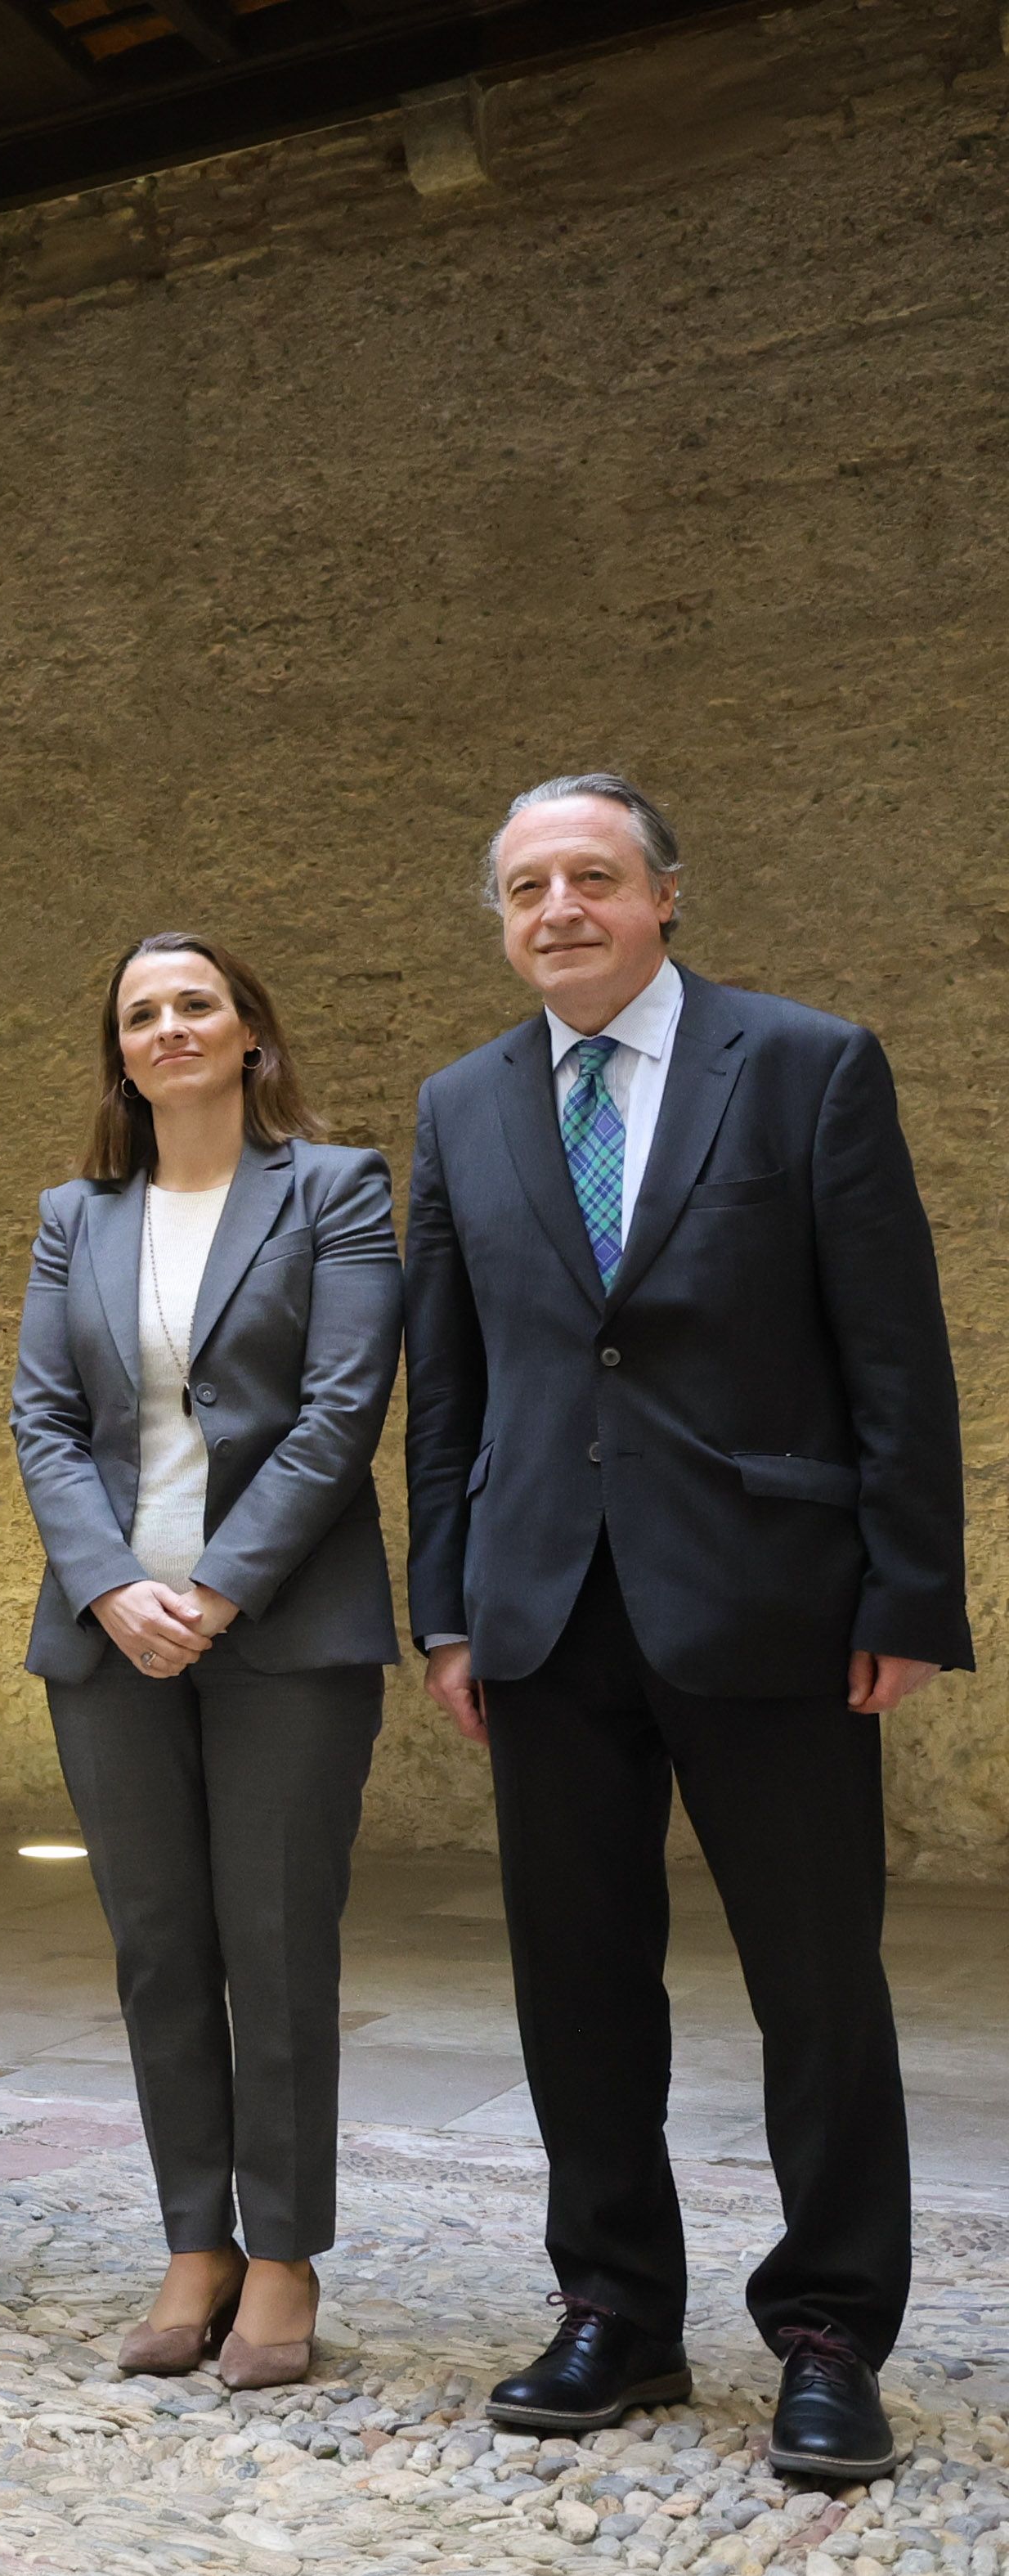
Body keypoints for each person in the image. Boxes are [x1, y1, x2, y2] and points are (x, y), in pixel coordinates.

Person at [408, 775, 965, 2481]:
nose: (559, 909)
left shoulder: (805, 1065)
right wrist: (444, 1606)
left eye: (593, 877)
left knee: (817, 1980)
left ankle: (830, 2332)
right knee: (577, 1982)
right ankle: (617, 2310)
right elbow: (451, 1381)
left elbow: (894, 1347)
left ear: (665, 896)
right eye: (526, 888)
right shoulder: (461, 1103)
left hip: (771, 1599)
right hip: (543, 1607)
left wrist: (907, 1591)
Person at [8, 934, 396, 2392]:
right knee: (159, 1946)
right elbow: (43, 1419)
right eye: (141, 1013)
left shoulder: (336, 1189)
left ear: (250, 1035)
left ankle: (283, 2254)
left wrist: (218, 1589)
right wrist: (113, 1586)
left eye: (197, 1004)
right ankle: (196, 2242)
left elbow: (342, 1411)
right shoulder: (76, 1216)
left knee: (277, 1944)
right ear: (120, 1055)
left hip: (285, 1631)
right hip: (110, 1638)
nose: (170, 1026)